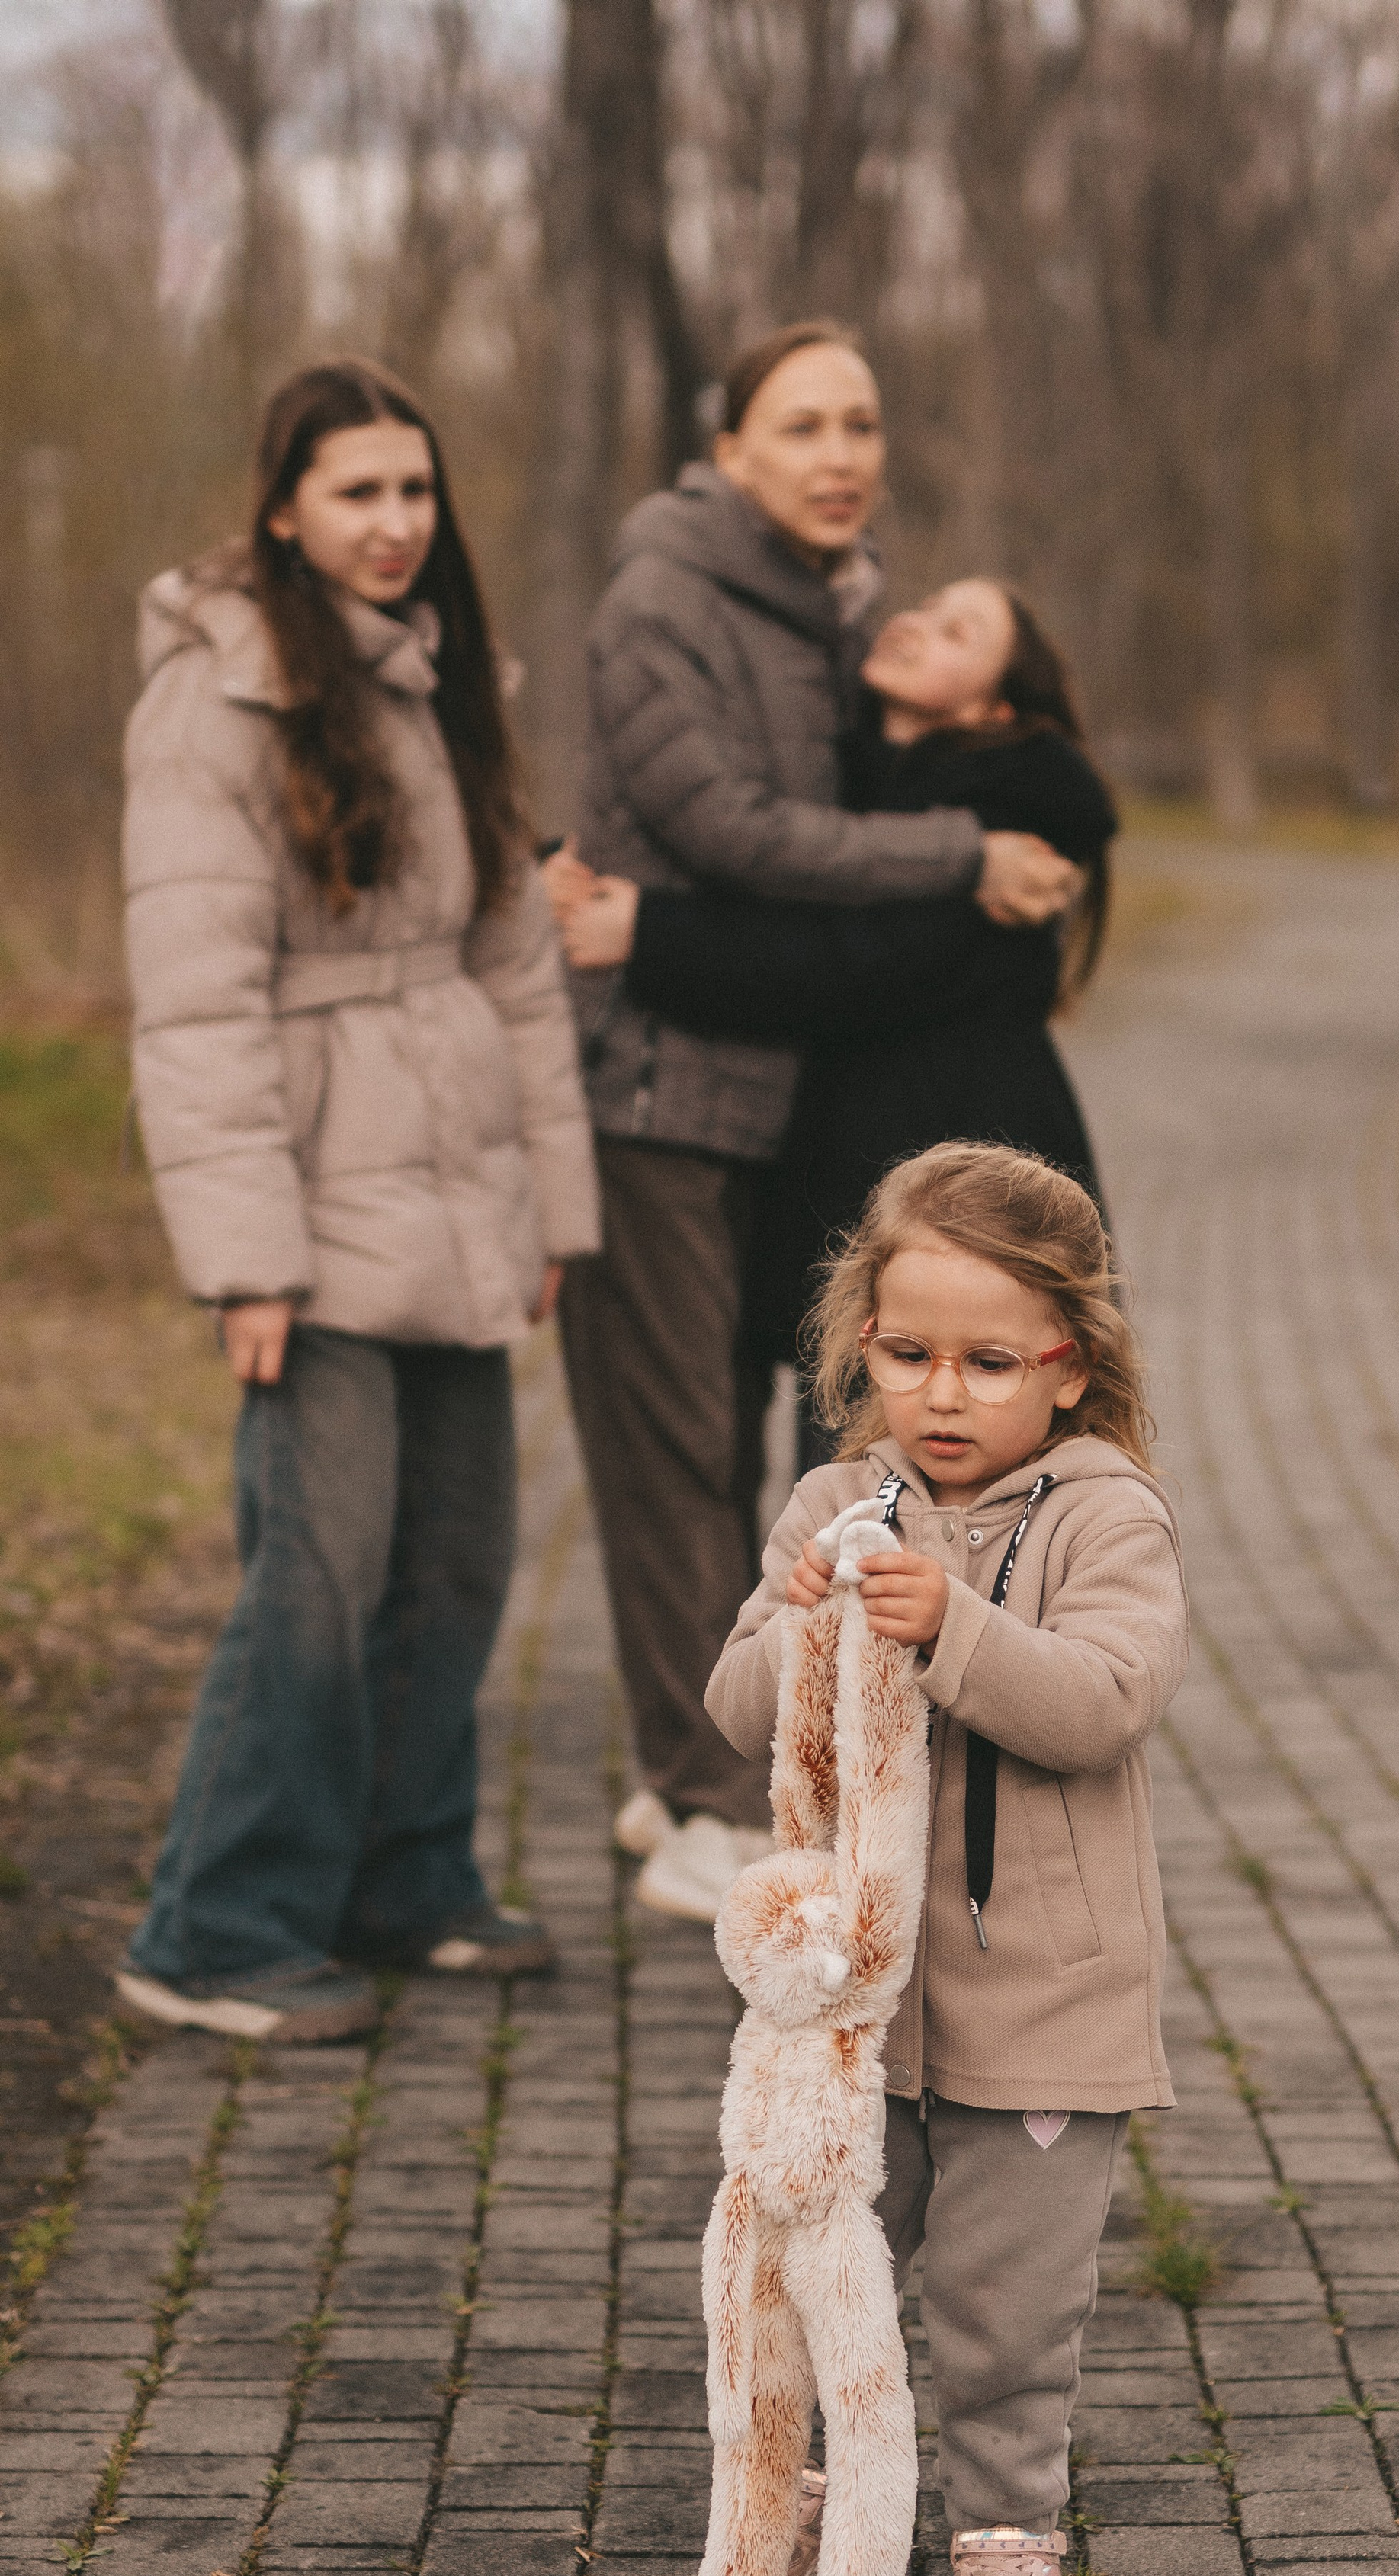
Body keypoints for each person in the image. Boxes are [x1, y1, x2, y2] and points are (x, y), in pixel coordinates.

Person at [558, 320, 1078, 1929]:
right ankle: (698, 1789)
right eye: (801, 427)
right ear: (729, 454)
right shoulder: (663, 603)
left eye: (860, 424)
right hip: (658, 1082)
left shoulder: (844, 606)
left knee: (766, 1453)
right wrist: (960, 854)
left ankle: (703, 1766)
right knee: (674, 1454)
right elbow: (734, 830)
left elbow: (866, 812)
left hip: (782, 1089)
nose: (841, 456)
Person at [114, 358, 600, 2046]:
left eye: (415, 489)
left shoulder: (450, 679)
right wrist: (247, 1260)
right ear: (282, 512)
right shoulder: (216, 702)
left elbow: (514, 964)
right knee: (315, 1571)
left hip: (461, 1184)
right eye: (356, 493)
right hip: (312, 1204)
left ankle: (403, 1880)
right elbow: (198, 1008)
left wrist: (550, 1207)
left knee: (456, 1555)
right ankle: (215, 1928)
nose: (395, 524)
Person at [705, 1141, 1186, 2576]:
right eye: (909, 1355)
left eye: (989, 1362)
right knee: (811, 2273)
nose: (943, 1394)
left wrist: (952, 1631)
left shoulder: (1106, 1515)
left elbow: (1102, 1702)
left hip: (1041, 2004)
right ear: (863, 1347)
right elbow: (735, 1712)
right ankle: (807, 2507)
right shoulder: (834, 1501)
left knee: (1004, 2304)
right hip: (856, 2011)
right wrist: (795, 1629)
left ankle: (1004, 2545)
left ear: (1069, 1365)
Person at [552, 575, 1117, 1390]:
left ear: (990, 712)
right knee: (846, 1453)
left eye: (957, 633)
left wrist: (648, 934)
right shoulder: (846, 784)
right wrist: (557, 864)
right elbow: (753, 859)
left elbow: (848, 964)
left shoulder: (1013, 822)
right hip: (860, 1203)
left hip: (971, 1204)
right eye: (925, 607)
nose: (914, 623)